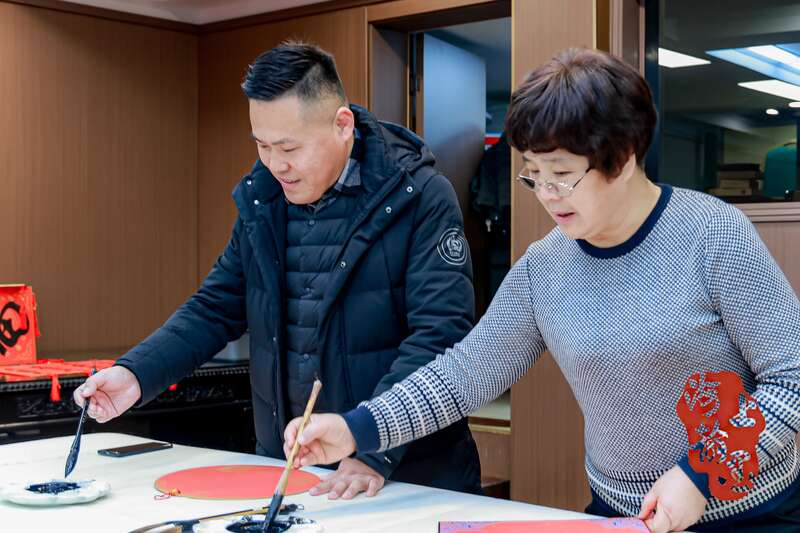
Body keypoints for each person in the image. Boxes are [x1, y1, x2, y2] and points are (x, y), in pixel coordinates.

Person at [284, 48, 800, 532]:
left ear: (622, 159)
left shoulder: (711, 235)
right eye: (533, 175)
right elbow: (465, 374)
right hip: (624, 514)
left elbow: (791, 379)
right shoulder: (545, 266)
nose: (547, 195)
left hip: (753, 512)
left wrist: (700, 475)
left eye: (562, 175)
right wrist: (357, 428)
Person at [73, 41, 482, 499]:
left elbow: (439, 335)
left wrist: (371, 447)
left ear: (342, 125)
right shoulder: (264, 197)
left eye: (289, 147)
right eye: (262, 145)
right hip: (289, 469)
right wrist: (135, 374)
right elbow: (215, 307)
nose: (276, 164)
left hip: (407, 473)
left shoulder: (418, 196)